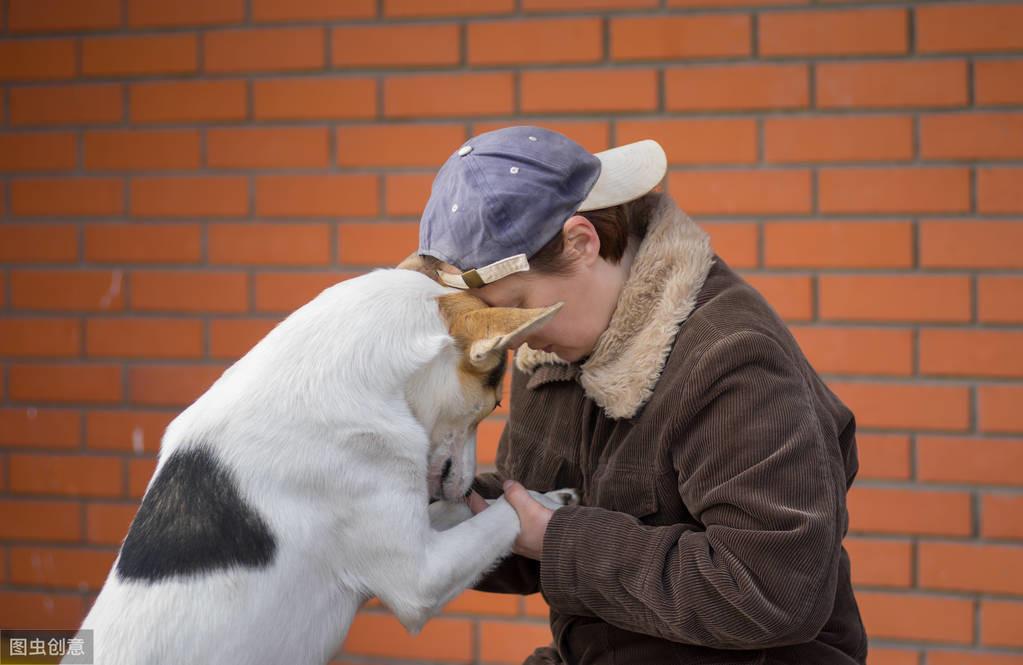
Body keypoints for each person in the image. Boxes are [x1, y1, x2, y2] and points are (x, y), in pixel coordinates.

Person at [406, 126, 867, 665]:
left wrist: (559, 540)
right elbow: (531, 516)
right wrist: (421, 508)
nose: (515, 335)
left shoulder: (732, 358)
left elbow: (772, 591)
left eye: (518, 303)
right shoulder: (552, 351)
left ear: (582, 242)